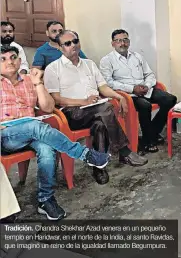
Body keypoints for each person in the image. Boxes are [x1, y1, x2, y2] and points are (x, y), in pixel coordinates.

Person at [0, 45, 111, 220]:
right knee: (33, 126)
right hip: (6, 136)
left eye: (13, 57)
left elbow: (48, 108)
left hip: (32, 133)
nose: (9, 62)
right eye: (3, 59)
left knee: (46, 148)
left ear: (20, 61)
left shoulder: (29, 80)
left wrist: (38, 83)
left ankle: (45, 199)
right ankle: (85, 154)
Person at [44, 30, 148, 185]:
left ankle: (99, 168)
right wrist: (83, 102)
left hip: (95, 110)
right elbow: (57, 99)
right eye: (67, 43)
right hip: (72, 113)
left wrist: (119, 97)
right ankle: (123, 151)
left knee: (100, 124)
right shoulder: (53, 68)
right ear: (60, 48)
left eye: (75, 41)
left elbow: (103, 87)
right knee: (106, 108)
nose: (73, 45)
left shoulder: (89, 64)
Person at [100, 29, 181, 154]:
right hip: (126, 94)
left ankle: (151, 134)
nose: (122, 43)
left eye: (125, 40)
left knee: (170, 99)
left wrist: (147, 86)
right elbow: (109, 83)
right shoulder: (107, 60)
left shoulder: (137, 56)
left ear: (129, 41)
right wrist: (133, 88)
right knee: (145, 106)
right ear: (113, 43)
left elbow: (149, 74)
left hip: (144, 90)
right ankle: (149, 141)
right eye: (118, 41)